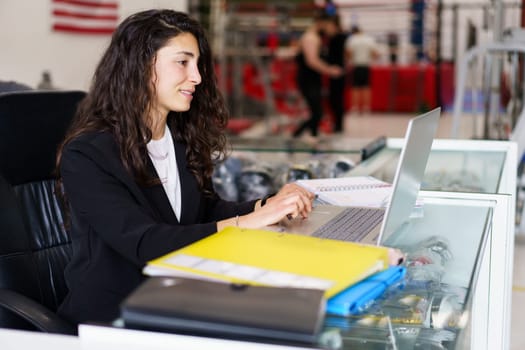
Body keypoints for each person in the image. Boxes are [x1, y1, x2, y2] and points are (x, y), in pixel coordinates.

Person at [55, 9, 316, 326]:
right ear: (140, 65)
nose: (197, 77)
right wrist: (247, 222)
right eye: (183, 62)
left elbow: (204, 212)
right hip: (115, 317)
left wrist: (268, 205)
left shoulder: (179, 137)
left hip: (179, 297)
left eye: (197, 64)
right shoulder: (87, 154)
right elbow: (144, 243)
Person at [292, 12, 343, 140]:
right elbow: (312, 61)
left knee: (317, 112)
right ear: (324, 23)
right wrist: (330, 70)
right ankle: (295, 137)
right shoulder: (311, 38)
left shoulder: (314, 37)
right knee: (317, 113)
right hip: (308, 79)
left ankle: (311, 136)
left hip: (312, 79)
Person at [345, 25, 379, 114]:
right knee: (366, 87)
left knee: (355, 87)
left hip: (356, 65)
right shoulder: (369, 39)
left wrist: (351, 59)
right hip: (366, 65)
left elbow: (348, 53)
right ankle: (366, 108)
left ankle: (355, 108)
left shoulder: (352, 40)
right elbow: (375, 54)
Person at [326, 15, 348, 133]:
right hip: (336, 70)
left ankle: (338, 125)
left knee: (336, 99)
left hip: (337, 71)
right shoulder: (338, 37)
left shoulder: (338, 38)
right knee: (335, 99)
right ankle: (337, 124)